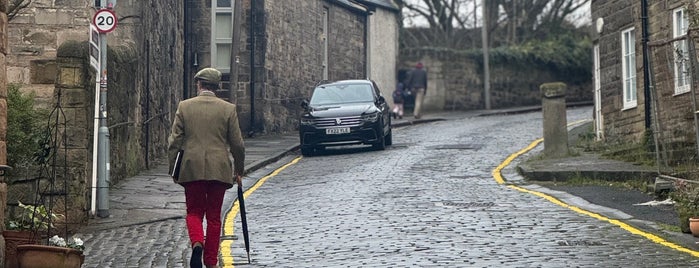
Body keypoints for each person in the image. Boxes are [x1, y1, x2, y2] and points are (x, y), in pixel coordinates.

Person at [167, 67, 245, 268]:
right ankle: (210, 262)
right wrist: (239, 169)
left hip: (191, 169)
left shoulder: (185, 107)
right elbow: (237, 144)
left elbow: (174, 142)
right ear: (217, 87)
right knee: (214, 217)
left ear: (199, 85)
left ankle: (196, 243)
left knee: (194, 212)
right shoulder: (228, 109)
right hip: (219, 170)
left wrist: (173, 169)